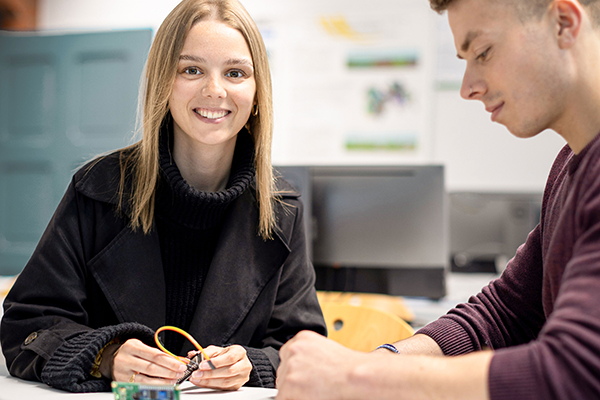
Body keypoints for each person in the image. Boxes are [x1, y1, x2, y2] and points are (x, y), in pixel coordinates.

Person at [275, 0, 600, 399]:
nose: (468, 88)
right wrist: (383, 360)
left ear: (564, 24)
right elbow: (505, 312)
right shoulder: (571, 164)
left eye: (483, 52)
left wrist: (356, 377)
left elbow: (577, 372)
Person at [0, 0, 326, 393]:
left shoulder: (281, 210)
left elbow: (304, 350)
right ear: (162, 83)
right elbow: (27, 326)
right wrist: (105, 356)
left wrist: (251, 364)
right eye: (191, 70)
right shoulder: (98, 189)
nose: (214, 90)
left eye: (236, 73)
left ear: (256, 94)